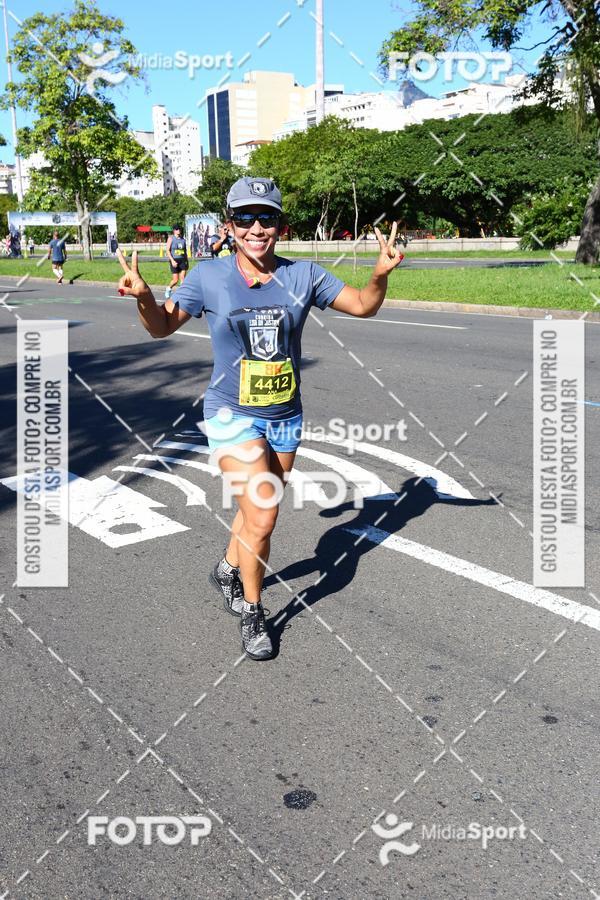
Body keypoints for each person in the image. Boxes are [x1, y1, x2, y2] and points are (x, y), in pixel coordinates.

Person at [116, 176, 404, 661]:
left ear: (280, 225)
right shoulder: (208, 276)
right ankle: (254, 609)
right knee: (265, 512)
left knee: (254, 516)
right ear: (229, 227)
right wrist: (145, 297)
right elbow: (162, 326)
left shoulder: (303, 275)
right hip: (229, 412)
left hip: (285, 414)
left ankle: (228, 568)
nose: (256, 228)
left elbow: (362, 306)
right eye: (245, 218)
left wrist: (379, 275)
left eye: (266, 217)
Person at [164, 224, 188, 302]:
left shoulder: (183, 240)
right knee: (175, 280)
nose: (179, 230)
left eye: (180, 229)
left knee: (183, 279)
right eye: (177, 229)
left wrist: (186, 261)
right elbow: (167, 250)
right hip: (174, 260)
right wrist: (172, 260)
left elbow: (185, 251)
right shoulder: (171, 238)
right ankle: (168, 289)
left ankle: (182, 294)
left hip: (182, 260)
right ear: (174, 230)